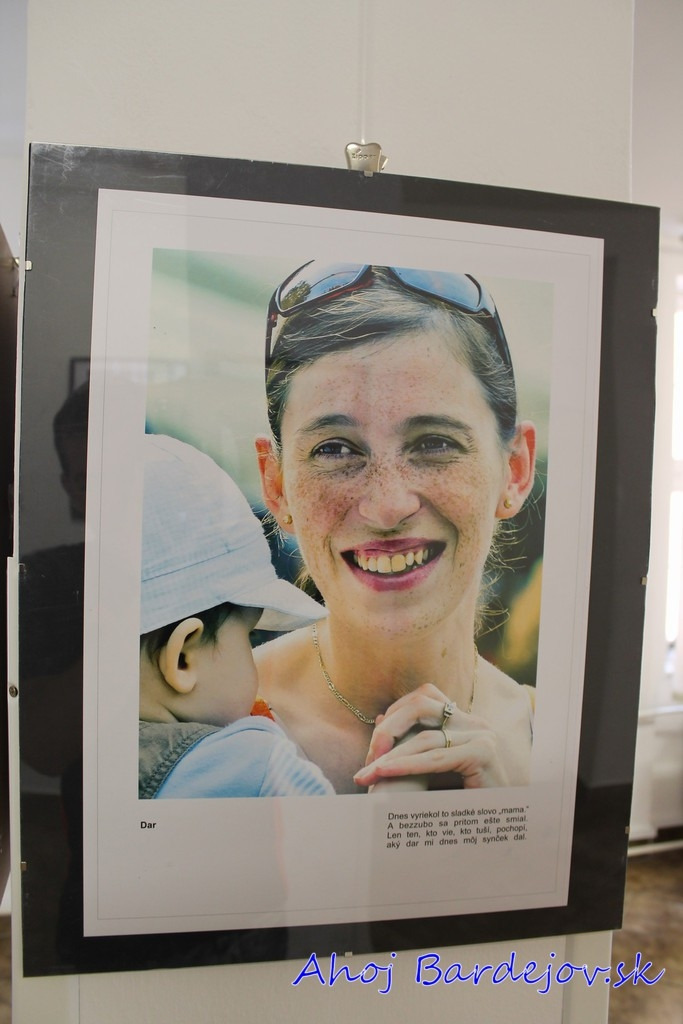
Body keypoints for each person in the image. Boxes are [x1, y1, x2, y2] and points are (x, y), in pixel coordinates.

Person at [254, 263, 537, 794]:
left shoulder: (550, 739)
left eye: (435, 443)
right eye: (334, 450)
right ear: (276, 485)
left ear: (515, 470)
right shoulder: (199, 734)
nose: (386, 507)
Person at [138, 433, 333, 798]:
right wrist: (397, 783)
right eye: (249, 636)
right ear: (182, 659)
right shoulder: (255, 765)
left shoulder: (84, 756)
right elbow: (336, 834)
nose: (254, 655)